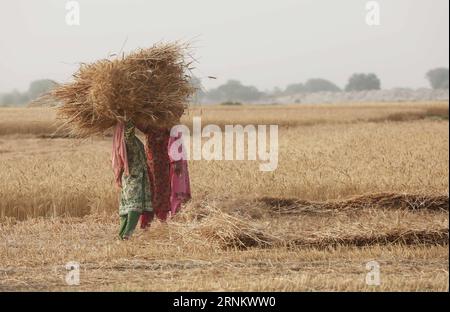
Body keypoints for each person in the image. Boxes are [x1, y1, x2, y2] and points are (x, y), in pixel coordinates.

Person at [140, 126, 191, 228]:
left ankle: (155, 223)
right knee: (156, 192)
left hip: (161, 163)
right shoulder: (156, 123)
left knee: (158, 192)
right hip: (156, 162)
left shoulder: (164, 124)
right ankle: (155, 222)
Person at [112, 120, 152, 240]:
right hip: (134, 177)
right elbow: (129, 132)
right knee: (134, 207)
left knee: (127, 207)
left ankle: (122, 234)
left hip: (131, 177)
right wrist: (129, 118)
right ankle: (126, 234)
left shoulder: (125, 141)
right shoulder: (128, 141)